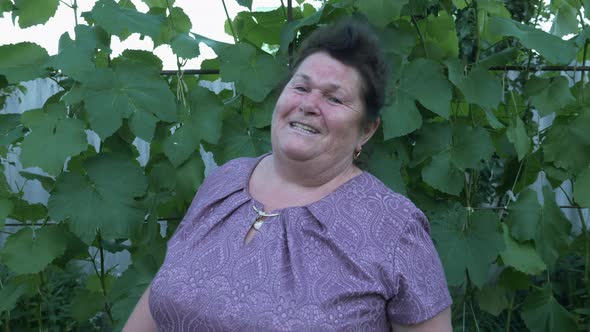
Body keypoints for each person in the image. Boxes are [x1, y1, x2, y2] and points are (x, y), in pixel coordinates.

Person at [123, 18, 452, 331]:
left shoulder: (394, 227)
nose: (309, 104)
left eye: (334, 98)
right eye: (301, 87)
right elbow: (161, 295)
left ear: (366, 130)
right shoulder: (223, 182)